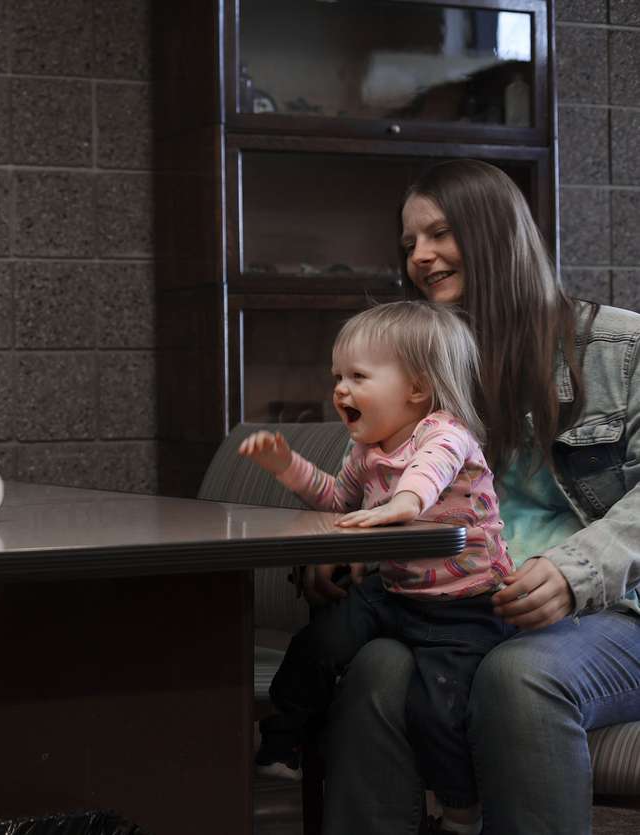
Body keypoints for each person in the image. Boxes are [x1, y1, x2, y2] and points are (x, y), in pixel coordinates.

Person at [317, 159, 640, 835]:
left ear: (497, 235)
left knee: (520, 675)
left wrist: (571, 573)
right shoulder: (431, 370)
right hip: (474, 609)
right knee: (375, 666)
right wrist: (344, 547)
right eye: (409, 244)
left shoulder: (621, 345)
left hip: (617, 608)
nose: (420, 257)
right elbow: (379, 483)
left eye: (439, 233)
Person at [240, 300, 512, 835]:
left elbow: (428, 476)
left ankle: (461, 808)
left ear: (416, 388)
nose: (340, 389)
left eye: (358, 376)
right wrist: (287, 466)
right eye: (337, 376)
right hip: (395, 593)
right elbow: (336, 501)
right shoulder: (364, 448)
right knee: (316, 645)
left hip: (467, 606)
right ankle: (284, 742)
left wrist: (403, 503)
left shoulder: (445, 432)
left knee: (440, 710)